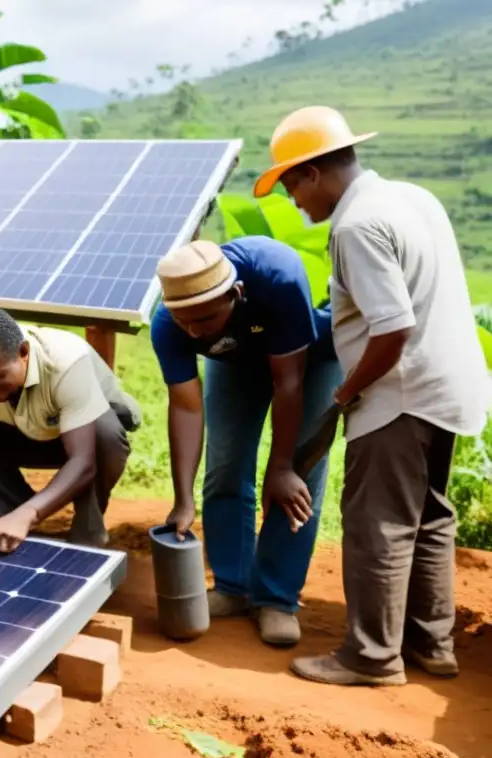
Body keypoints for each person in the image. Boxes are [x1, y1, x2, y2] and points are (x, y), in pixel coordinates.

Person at [255, 105, 489, 684]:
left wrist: (346, 393)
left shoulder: (356, 225)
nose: (293, 201)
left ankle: (371, 655)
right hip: (451, 383)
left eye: (290, 185)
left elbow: (393, 326)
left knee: (374, 522)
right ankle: (431, 646)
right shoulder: (412, 198)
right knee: (430, 516)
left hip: (399, 395)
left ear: (312, 172)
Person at [150, 236, 342, 646]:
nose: (193, 331)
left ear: (235, 294)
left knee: (299, 477)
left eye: (203, 320)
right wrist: (184, 499)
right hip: (236, 357)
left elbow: (288, 382)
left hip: (304, 353)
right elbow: (185, 407)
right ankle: (232, 586)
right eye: (184, 321)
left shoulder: (278, 277)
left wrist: (283, 466)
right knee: (225, 464)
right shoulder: (169, 322)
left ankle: (276, 598)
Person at [0, 307, 141, 579]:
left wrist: (29, 513)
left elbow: (83, 461)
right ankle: (19, 531)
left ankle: (85, 535)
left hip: (83, 438)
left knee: (105, 431)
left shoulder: (67, 359)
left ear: (23, 352)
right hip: (22, 431)